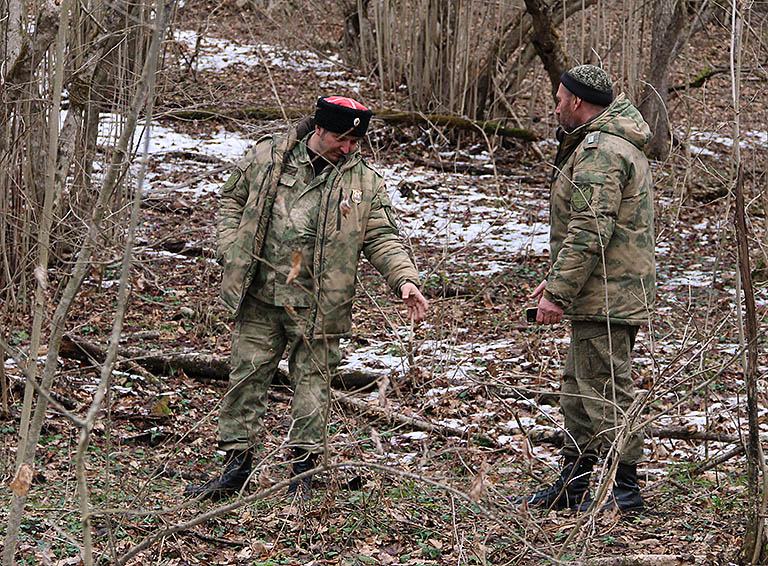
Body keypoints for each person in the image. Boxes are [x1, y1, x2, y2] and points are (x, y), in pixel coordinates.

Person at [186, 96, 428, 500]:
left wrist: (405, 279)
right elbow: (231, 198)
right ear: (318, 129)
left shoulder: (364, 182)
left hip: (319, 305)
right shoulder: (269, 156)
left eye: (355, 141)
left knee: (313, 388)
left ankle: (303, 474)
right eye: (340, 137)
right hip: (261, 296)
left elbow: (383, 236)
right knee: (245, 380)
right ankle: (235, 471)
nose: (347, 148)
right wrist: (230, 247)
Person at [521, 65, 655, 513]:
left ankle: (625, 493)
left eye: (559, 99)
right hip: (600, 290)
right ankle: (574, 485)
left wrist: (558, 293)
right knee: (578, 390)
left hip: (607, 295)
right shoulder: (605, 144)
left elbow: (589, 230)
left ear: (577, 101)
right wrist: (557, 281)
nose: (555, 106)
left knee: (606, 392)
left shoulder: (601, 151)